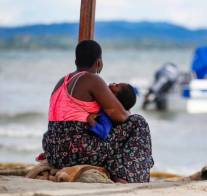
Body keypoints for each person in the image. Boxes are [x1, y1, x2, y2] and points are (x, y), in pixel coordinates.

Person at [42, 40, 154, 183]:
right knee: (137, 122)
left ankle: (118, 169)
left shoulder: (61, 81)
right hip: (77, 150)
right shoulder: (92, 79)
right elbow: (121, 116)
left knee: (112, 133)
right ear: (99, 63)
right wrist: (126, 110)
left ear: (76, 60)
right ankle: (125, 176)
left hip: (53, 152)